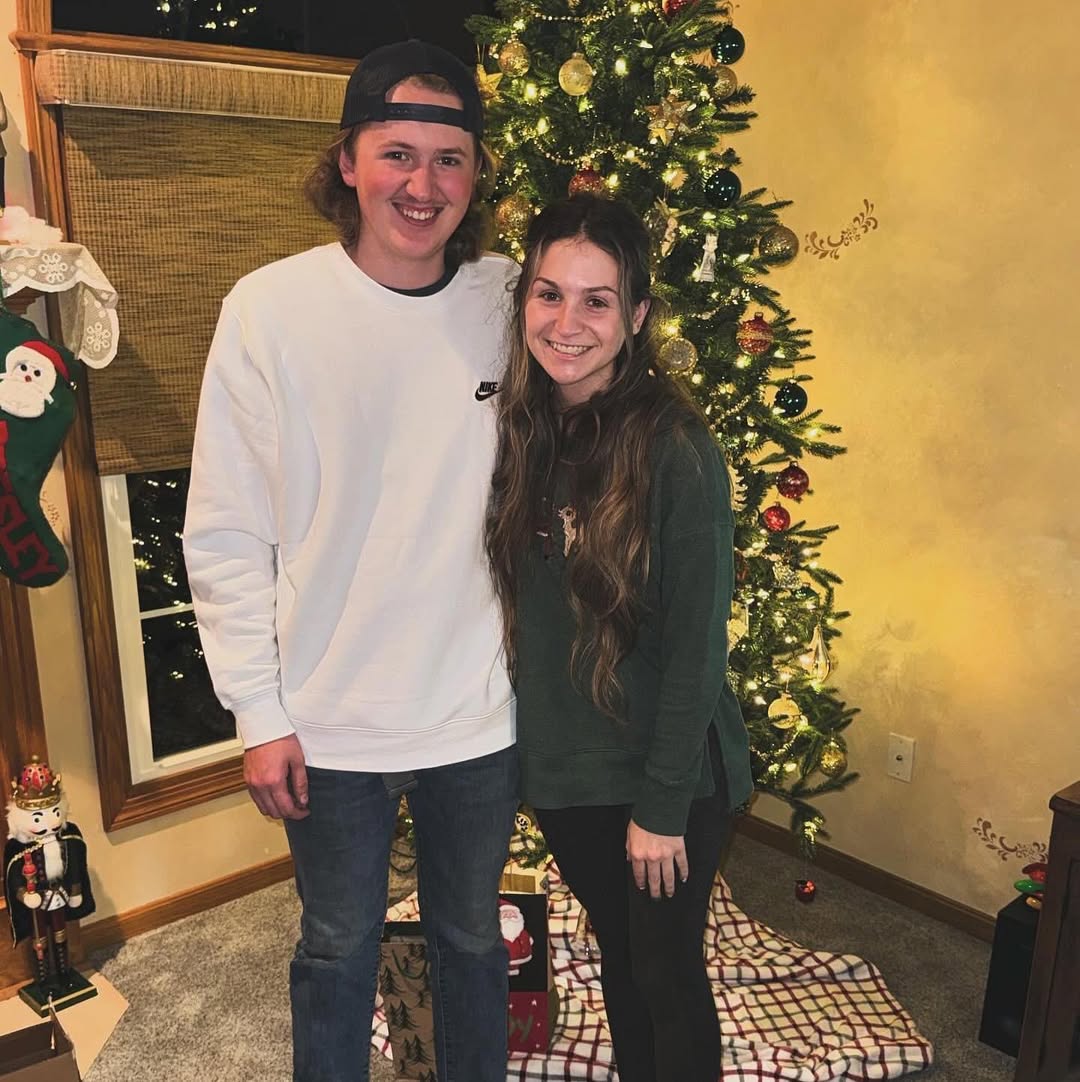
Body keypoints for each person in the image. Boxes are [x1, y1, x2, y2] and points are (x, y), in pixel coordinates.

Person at [184, 40, 519, 1082]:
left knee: (471, 942)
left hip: (475, 711)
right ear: (347, 160)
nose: (423, 184)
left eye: (450, 158)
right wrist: (259, 713)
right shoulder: (268, 311)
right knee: (336, 947)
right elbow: (226, 529)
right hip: (326, 716)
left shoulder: (512, 301)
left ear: (476, 174)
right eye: (396, 153)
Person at [485, 194, 754, 1082]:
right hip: (568, 768)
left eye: (596, 301)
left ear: (636, 316)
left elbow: (698, 645)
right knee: (620, 957)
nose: (567, 323)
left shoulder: (676, 449)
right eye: (549, 294)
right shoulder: (522, 429)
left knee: (665, 974)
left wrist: (661, 809)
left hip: (663, 770)